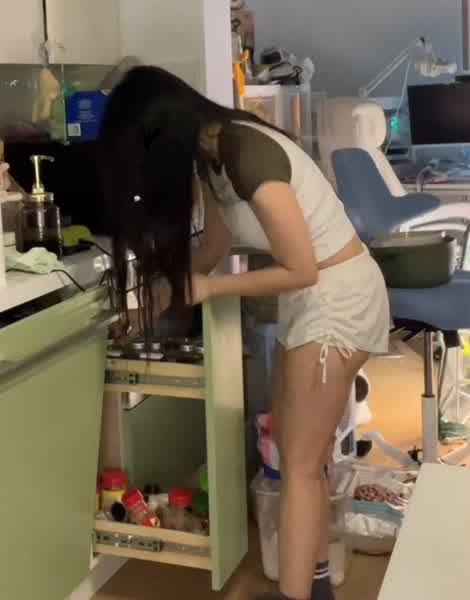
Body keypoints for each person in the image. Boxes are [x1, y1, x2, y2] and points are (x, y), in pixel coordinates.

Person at [99, 66, 390, 600]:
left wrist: (211, 288)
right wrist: (162, 295)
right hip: (309, 300)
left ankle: (297, 595)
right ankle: (316, 589)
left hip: (339, 297)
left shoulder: (243, 149)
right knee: (298, 456)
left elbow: (302, 266)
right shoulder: (211, 158)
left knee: (299, 465)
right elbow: (215, 246)